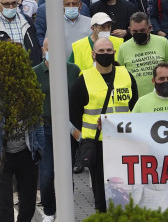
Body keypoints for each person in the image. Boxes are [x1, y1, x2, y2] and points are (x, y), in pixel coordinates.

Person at [68, 37, 138, 213]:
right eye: (101, 51)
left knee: (124, 191)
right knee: (100, 195)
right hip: (97, 144)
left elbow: (135, 107)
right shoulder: (83, 80)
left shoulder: (127, 76)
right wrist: (84, 135)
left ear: (114, 53)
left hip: (123, 142)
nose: (105, 54)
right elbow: (74, 115)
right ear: (93, 55)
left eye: (109, 51)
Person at [33, 39, 81, 221]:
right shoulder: (36, 73)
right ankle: (49, 211)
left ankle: (65, 210)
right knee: (46, 174)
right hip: (44, 127)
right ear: (43, 50)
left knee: (66, 173)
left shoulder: (73, 70)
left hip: (67, 127)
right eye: (48, 49)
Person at [117, 12, 168, 98]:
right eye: (135, 31)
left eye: (142, 30)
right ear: (129, 30)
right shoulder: (123, 47)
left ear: (149, 28)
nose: (139, 33)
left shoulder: (162, 42)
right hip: (136, 97)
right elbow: (120, 75)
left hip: (161, 95)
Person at [0, 108, 43, 222]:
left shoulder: (28, 100)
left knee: (28, 201)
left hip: (27, 153)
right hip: (3, 157)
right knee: (4, 204)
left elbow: (38, 126)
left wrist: (40, 149)